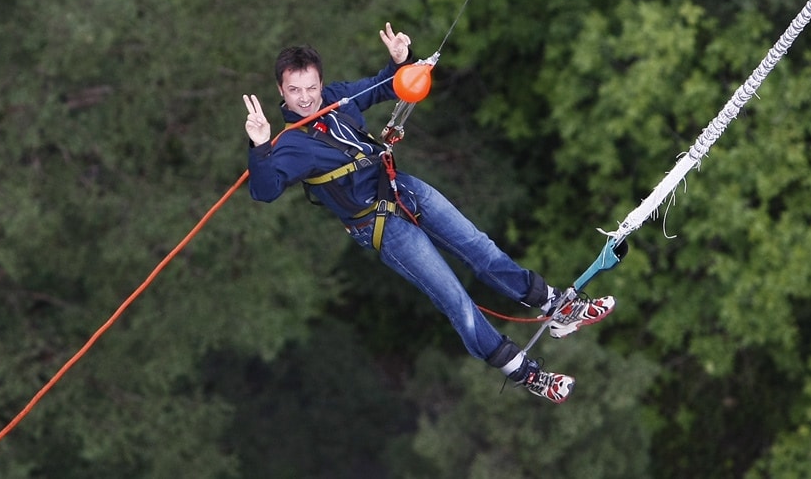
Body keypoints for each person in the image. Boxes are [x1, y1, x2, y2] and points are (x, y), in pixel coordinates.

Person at [242, 23, 615, 403]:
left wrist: (399, 62)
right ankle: (525, 372)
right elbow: (264, 190)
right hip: (380, 225)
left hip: (404, 188)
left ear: (321, 82)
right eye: (294, 90)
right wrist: (259, 146)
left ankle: (557, 305)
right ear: (280, 91)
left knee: (478, 246)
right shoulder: (288, 146)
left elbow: (387, 86)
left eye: (311, 87)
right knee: (453, 297)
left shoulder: (336, 99)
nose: (306, 99)